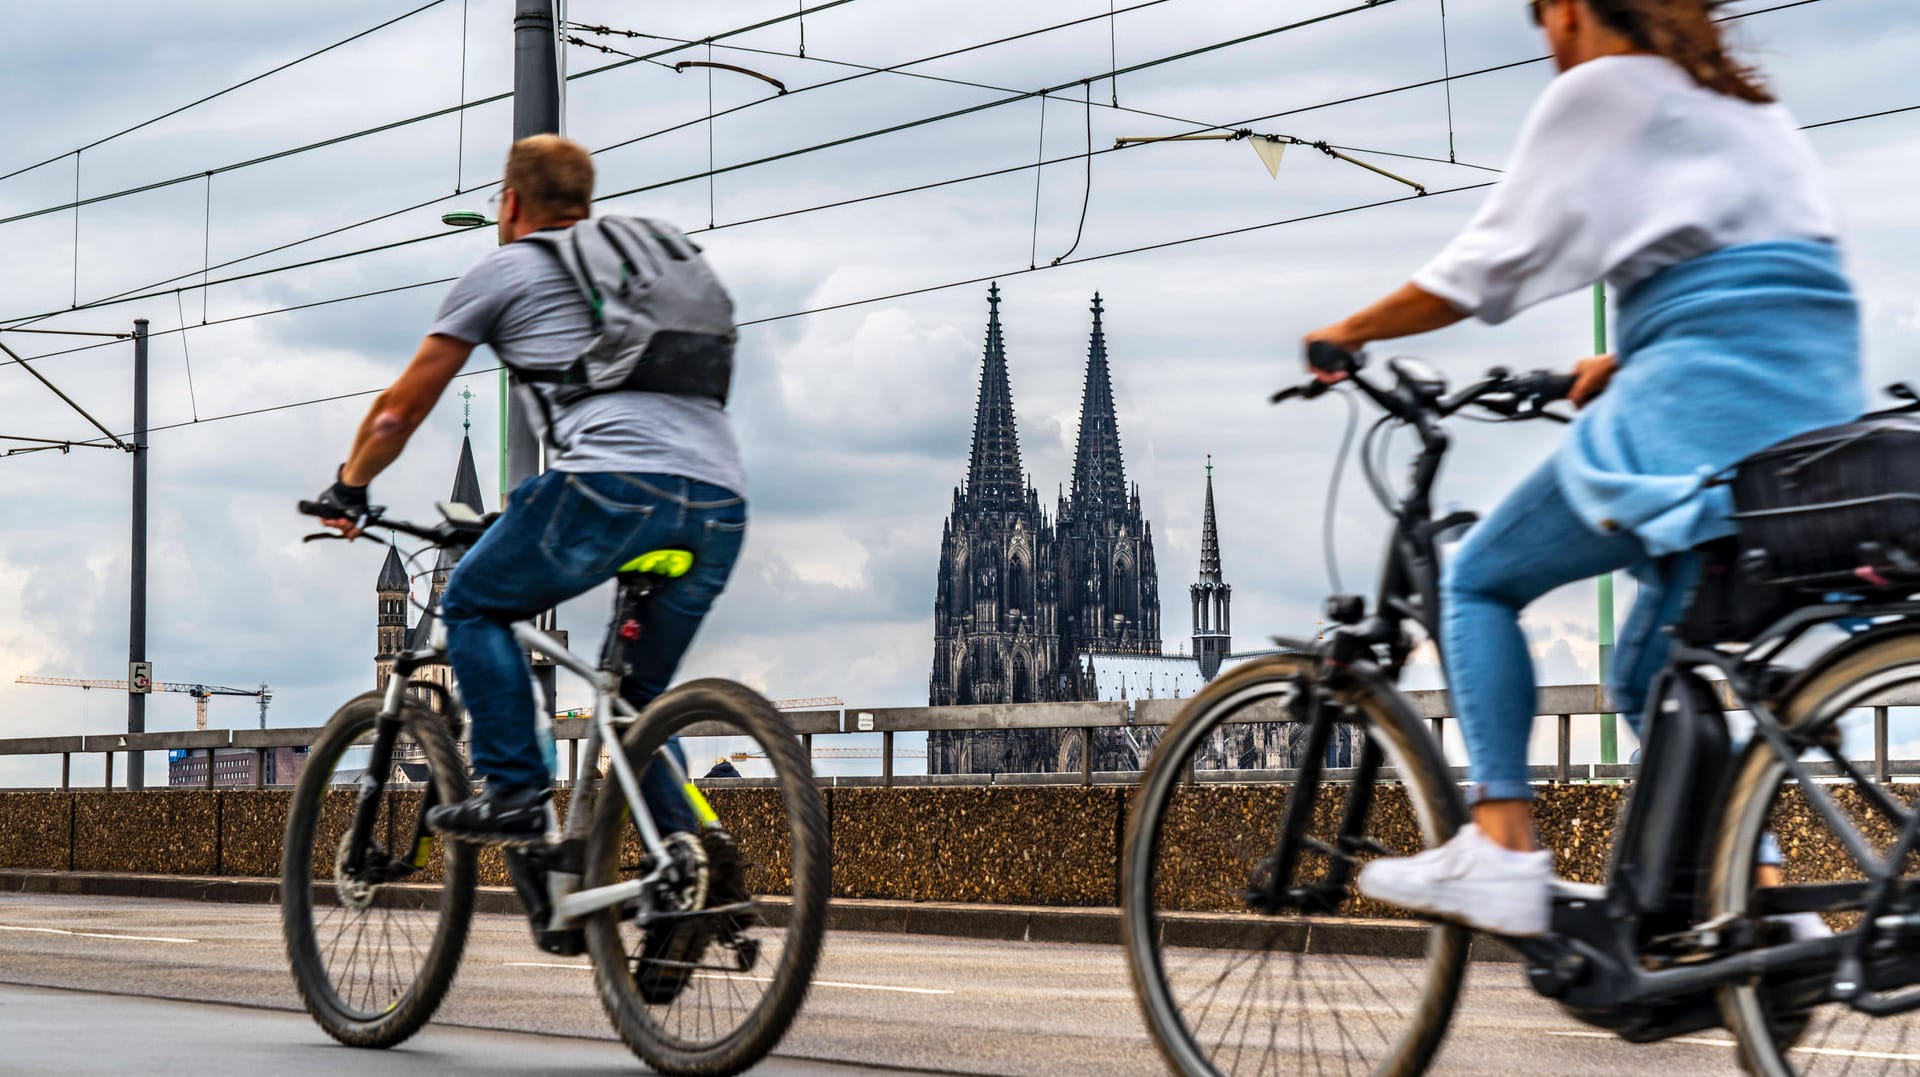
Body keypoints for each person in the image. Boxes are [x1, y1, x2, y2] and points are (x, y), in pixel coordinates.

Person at [1307, 0, 1865, 936]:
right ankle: (1762, 900)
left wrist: (1346, 333)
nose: (1550, 46)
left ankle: (1503, 846)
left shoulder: (1604, 85)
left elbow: (1483, 266)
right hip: (1815, 430)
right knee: (1646, 669)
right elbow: (1754, 285)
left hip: (1703, 419)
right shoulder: (1748, 108)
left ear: (1568, 8)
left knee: (1479, 576)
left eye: (1544, 23)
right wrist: (1625, 354)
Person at [311, 134, 748, 848]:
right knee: (636, 704)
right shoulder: (641, 267)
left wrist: (349, 486)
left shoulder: (508, 268)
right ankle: (692, 860)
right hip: (721, 501)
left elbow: (397, 411)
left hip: (610, 486)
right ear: (585, 203)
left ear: (509, 203)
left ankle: (514, 786)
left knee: (473, 599)